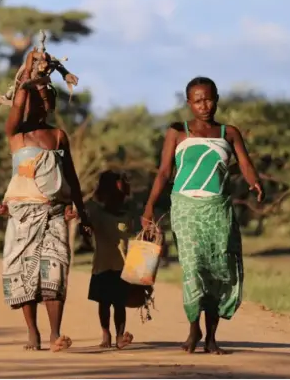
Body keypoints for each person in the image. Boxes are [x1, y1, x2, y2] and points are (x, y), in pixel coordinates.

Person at [142, 76, 263, 355]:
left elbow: (245, 163)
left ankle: (211, 337)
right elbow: (163, 172)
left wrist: (254, 181)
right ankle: (194, 326)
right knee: (194, 267)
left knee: (218, 271)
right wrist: (149, 206)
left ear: (217, 98)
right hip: (185, 208)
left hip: (218, 210)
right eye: (198, 101)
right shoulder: (177, 132)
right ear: (189, 103)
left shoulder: (228, 133)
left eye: (208, 99)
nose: (204, 105)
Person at [0, 49, 92, 352]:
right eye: (36, 99)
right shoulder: (16, 135)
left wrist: (82, 210)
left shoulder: (59, 137)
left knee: (56, 270)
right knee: (25, 273)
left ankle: (54, 333)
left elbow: (72, 176)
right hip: (23, 215)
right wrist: (30, 71)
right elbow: (21, 97)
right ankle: (32, 333)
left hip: (55, 213)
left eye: (47, 99)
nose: (42, 104)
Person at [86, 170, 135, 349]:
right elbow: (86, 205)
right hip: (102, 266)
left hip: (122, 267)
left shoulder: (126, 215)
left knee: (120, 305)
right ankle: (106, 334)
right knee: (104, 304)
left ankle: (120, 335)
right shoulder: (95, 212)